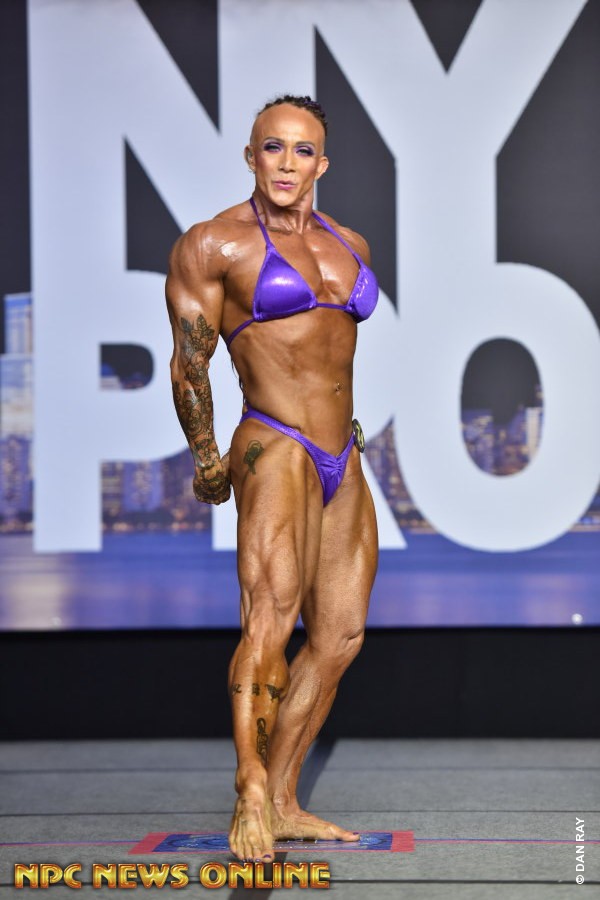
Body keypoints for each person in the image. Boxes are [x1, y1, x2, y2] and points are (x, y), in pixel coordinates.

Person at [166, 94, 379, 863]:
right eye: (272, 147)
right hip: (276, 443)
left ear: (322, 163)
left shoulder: (348, 242)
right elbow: (190, 364)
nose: (286, 163)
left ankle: (285, 800)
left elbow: (330, 351)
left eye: (302, 150)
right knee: (270, 621)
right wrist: (206, 458)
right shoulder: (214, 244)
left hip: (341, 453)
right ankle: (251, 790)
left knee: (340, 635)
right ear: (251, 156)